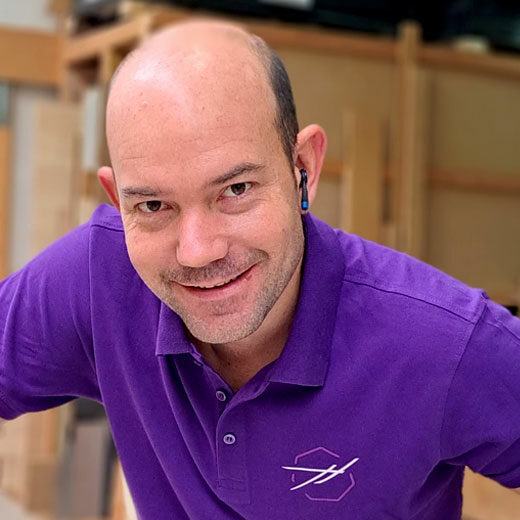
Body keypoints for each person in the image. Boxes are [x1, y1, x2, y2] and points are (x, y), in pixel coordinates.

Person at [1, 19, 520, 520]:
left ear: (304, 170)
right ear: (118, 202)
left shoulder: (442, 343)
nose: (197, 251)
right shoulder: (97, 279)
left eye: (236, 190)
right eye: (154, 206)